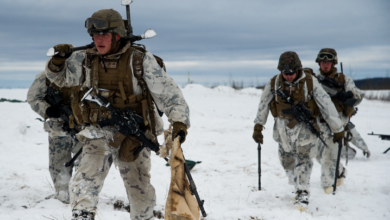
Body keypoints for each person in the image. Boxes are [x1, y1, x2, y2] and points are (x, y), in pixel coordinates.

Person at [45, 9, 190, 220]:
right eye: (94, 35)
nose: (98, 40)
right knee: (86, 177)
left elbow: (170, 94)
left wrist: (179, 123)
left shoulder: (139, 60)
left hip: (134, 134)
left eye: (103, 35)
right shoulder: (85, 58)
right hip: (97, 131)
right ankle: (82, 214)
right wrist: (58, 61)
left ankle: (143, 217)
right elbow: (61, 79)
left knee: (139, 188)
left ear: (117, 35)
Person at [252, 51, 344, 211]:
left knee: (304, 161)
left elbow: (326, 105)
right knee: (286, 161)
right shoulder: (274, 83)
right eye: (285, 73)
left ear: (298, 69)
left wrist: (337, 128)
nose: (288, 76)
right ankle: (296, 184)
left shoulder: (310, 82)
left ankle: (302, 193)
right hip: (282, 131)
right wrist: (258, 126)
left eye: (291, 72)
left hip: (305, 130)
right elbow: (263, 104)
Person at [313, 48, 364, 193]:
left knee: (329, 156)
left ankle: (328, 187)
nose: (325, 64)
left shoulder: (344, 80)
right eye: (323, 61)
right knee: (317, 154)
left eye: (328, 61)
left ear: (333, 62)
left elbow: (359, 95)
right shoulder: (314, 80)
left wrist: (348, 94)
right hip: (318, 123)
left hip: (336, 123)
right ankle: (340, 171)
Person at [27, 71, 82, 204]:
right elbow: (33, 97)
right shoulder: (46, 76)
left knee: (85, 163)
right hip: (57, 127)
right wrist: (47, 110)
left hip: (83, 127)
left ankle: (82, 196)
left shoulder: (86, 72)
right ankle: (62, 196)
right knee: (59, 163)